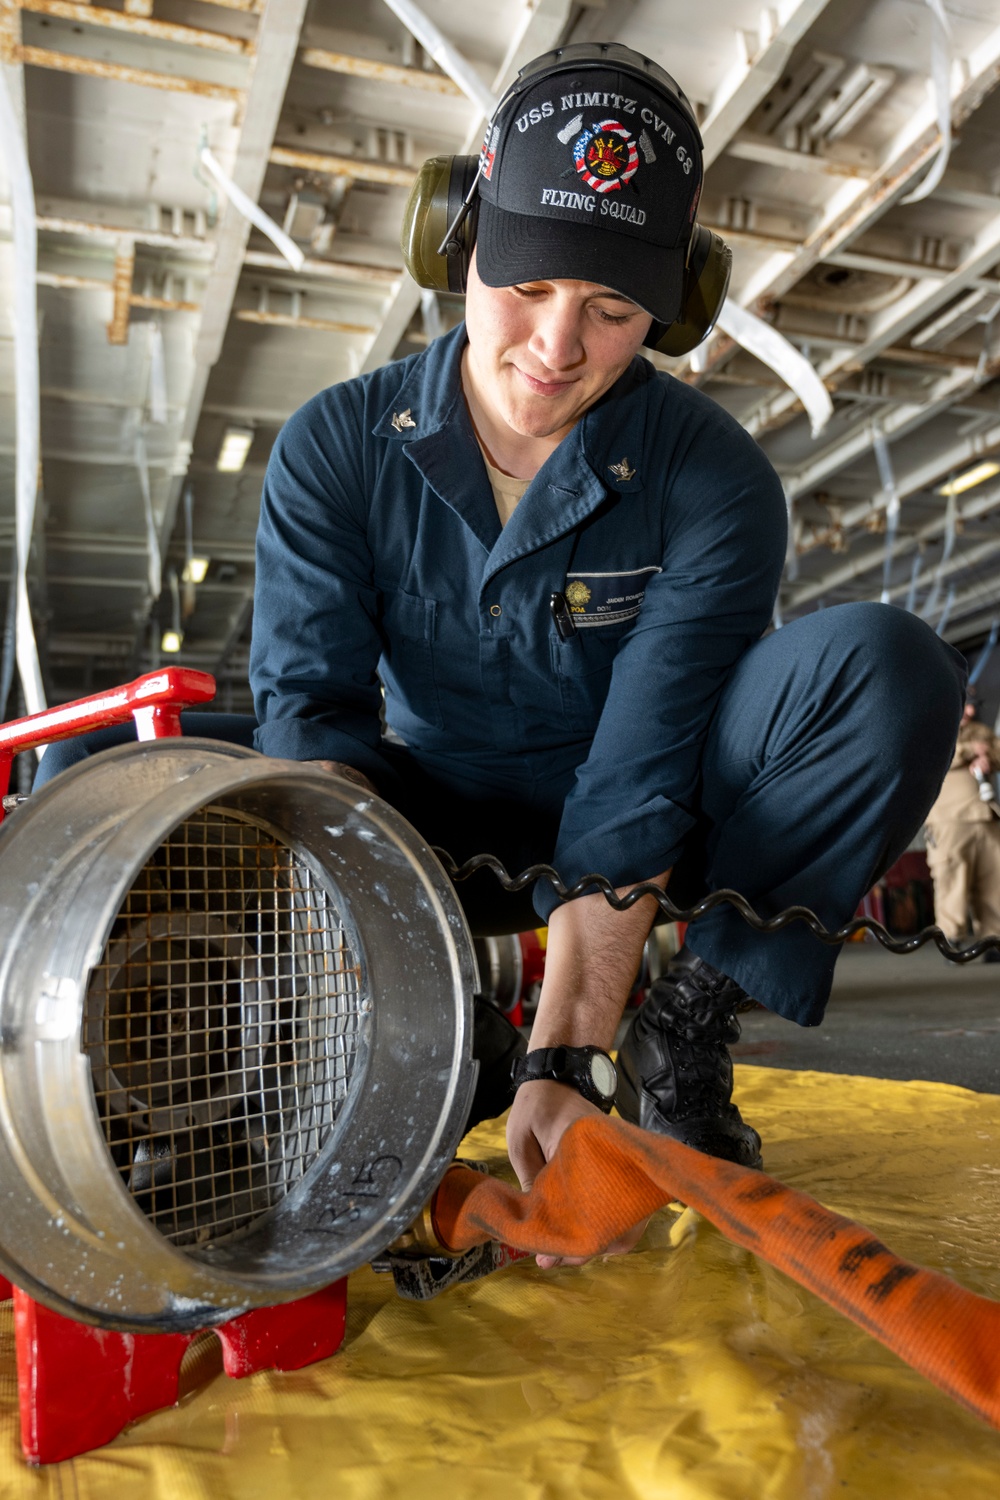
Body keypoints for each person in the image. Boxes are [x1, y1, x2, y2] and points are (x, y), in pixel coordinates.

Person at [37, 44, 966, 1267]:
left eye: (613, 311)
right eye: (526, 284)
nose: (555, 347)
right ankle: (254, 1057)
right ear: (457, 237)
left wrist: (568, 1051)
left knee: (888, 667)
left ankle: (678, 1033)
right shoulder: (339, 445)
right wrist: (371, 1005)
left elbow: (639, 770)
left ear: (672, 308)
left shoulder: (714, 480)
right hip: (417, 817)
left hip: (653, 817)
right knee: (97, 779)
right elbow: (312, 717)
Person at [925, 717, 1000, 958]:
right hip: (949, 819)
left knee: (994, 880)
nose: (969, 709)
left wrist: (987, 757)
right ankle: (951, 939)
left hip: (986, 817)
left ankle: (993, 940)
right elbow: (932, 755)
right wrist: (969, 750)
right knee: (951, 879)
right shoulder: (934, 725)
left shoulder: (981, 731)